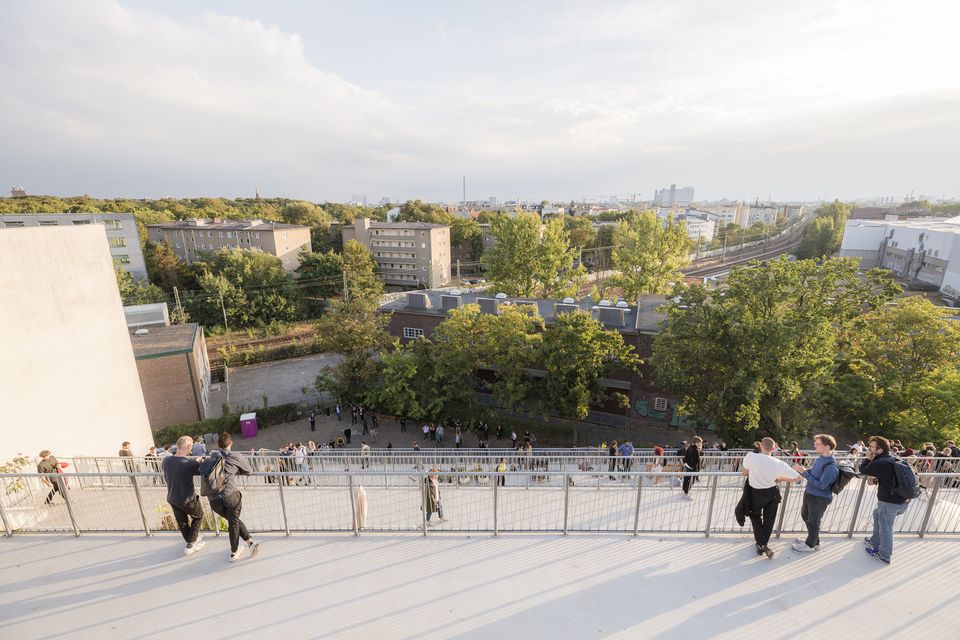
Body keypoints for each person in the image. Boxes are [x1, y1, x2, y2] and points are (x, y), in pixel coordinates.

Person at [202, 433, 260, 562]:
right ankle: (234, 552)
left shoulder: (212, 457)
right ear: (231, 443)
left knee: (233, 520)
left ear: (218, 445)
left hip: (213, 499)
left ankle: (250, 543)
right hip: (230, 495)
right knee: (233, 522)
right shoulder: (235, 456)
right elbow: (249, 471)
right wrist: (236, 470)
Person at [741, 437, 802, 558]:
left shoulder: (751, 456)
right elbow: (798, 478)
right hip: (772, 493)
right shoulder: (778, 463)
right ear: (774, 448)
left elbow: (745, 472)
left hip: (756, 492)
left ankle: (762, 544)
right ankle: (763, 544)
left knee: (755, 516)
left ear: (760, 446)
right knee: (769, 520)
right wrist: (780, 478)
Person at [859, 436, 910, 565]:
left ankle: (885, 555)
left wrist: (868, 457)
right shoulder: (894, 459)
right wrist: (876, 480)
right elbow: (891, 478)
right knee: (877, 514)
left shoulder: (880, 462)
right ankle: (875, 541)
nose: (868, 449)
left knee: (886, 529)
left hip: (889, 502)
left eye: (871, 447)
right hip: (902, 501)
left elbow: (863, 469)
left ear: (879, 450)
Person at [791, 434, 839, 553]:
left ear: (827, 447)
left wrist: (804, 473)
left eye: (818, 444)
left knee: (813, 520)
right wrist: (804, 471)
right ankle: (813, 541)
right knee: (805, 515)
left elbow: (822, 485)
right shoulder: (821, 458)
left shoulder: (831, 466)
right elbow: (814, 472)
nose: (814, 445)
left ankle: (810, 545)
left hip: (819, 497)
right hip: (810, 493)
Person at [162, 436, 206, 556]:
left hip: (172, 498)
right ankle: (190, 545)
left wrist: (194, 462)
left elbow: (179, 467)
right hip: (187, 499)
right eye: (191, 446)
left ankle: (190, 540)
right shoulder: (189, 464)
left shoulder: (166, 460)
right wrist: (198, 462)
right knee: (198, 517)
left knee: (183, 522)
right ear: (188, 447)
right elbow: (202, 470)